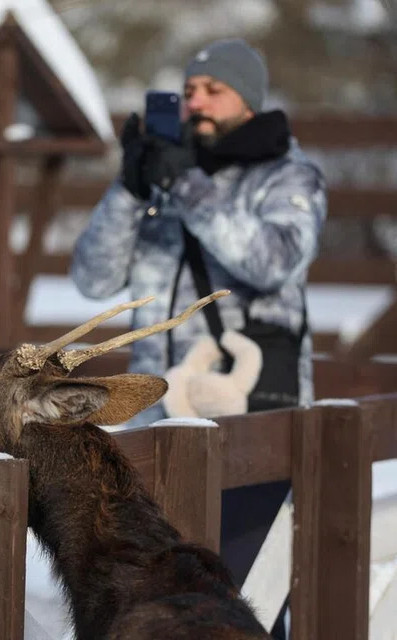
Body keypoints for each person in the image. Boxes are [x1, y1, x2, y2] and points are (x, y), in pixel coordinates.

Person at [70, 39, 326, 638]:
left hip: (253, 424)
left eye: (214, 90)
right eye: (188, 93)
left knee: (244, 594)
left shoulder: (289, 175)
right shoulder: (162, 175)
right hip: (156, 423)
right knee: (158, 601)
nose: (197, 103)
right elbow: (92, 277)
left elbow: (274, 261)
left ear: (250, 100)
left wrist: (186, 184)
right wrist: (130, 188)